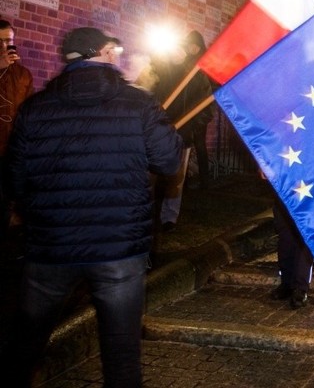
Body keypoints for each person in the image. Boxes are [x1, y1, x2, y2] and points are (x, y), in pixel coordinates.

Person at [4, 27, 182, 387]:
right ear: (99, 52)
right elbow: (168, 161)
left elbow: (13, 180)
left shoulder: (35, 108)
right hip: (117, 247)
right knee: (121, 354)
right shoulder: (138, 103)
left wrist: (40, 209)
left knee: (25, 346)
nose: (117, 54)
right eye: (112, 49)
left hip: (50, 247)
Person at [141, 32, 213, 232]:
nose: (177, 53)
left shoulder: (197, 76)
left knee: (176, 179)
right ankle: (146, 214)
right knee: (149, 177)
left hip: (181, 136)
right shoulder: (159, 70)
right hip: (154, 133)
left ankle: (169, 217)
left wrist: (188, 127)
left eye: (181, 49)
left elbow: (207, 109)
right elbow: (144, 94)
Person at [0, 18, 33, 234]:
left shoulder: (22, 74)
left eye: (8, 41)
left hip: (10, 151)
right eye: (0, 42)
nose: (5, 46)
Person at [183, 31, 214, 190]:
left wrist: (205, 113)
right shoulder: (184, 63)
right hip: (185, 110)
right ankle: (184, 180)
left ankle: (205, 181)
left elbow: (211, 87)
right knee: (185, 145)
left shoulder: (205, 62)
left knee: (200, 145)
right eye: (189, 45)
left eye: (195, 45)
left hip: (200, 110)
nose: (192, 48)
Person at [271, 198, 314, 309]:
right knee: (285, 236)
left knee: (305, 237)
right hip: (284, 188)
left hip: (310, 190)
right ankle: (287, 282)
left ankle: (301, 288)